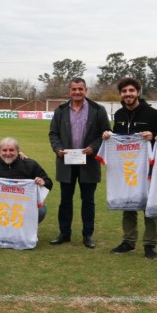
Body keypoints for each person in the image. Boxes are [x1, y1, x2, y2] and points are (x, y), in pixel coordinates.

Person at [103, 77, 157, 259]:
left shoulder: (152, 114)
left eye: (131, 91)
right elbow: (118, 137)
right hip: (126, 167)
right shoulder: (120, 115)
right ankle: (128, 242)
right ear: (121, 94)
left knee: (149, 205)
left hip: (147, 167)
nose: (128, 94)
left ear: (138, 92)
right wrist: (109, 135)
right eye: (124, 91)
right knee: (128, 204)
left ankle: (149, 245)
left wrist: (152, 135)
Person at [48, 77, 110, 249]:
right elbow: (53, 134)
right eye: (74, 89)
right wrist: (58, 149)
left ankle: (87, 235)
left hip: (89, 162)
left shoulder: (98, 109)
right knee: (65, 201)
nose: (77, 92)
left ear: (86, 90)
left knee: (88, 201)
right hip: (66, 162)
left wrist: (94, 147)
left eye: (80, 89)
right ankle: (64, 233)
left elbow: (106, 133)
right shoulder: (60, 110)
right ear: (69, 91)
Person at [0, 137, 52, 223]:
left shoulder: (30, 165)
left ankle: (29, 229)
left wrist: (42, 182)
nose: (8, 153)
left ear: (18, 151)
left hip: (25, 205)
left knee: (41, 210)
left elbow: (48, 183)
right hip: (0, 205)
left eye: (11, 150)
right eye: (4, 150)